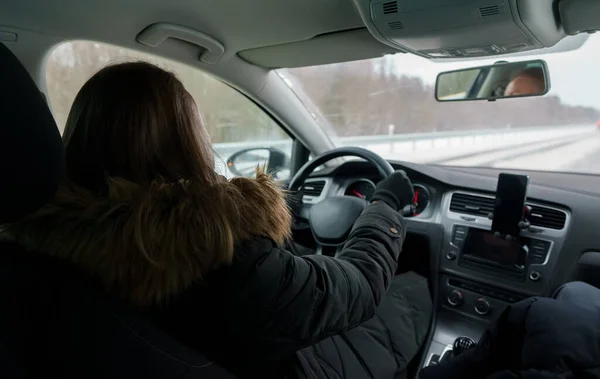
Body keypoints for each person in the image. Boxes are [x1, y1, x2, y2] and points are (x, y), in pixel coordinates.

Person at [3, 62, 430, 378]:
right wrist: (385, 208)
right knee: (414, 291)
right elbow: (362, 284)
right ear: (185, 146)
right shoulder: (225, 259)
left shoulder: (37, 247)